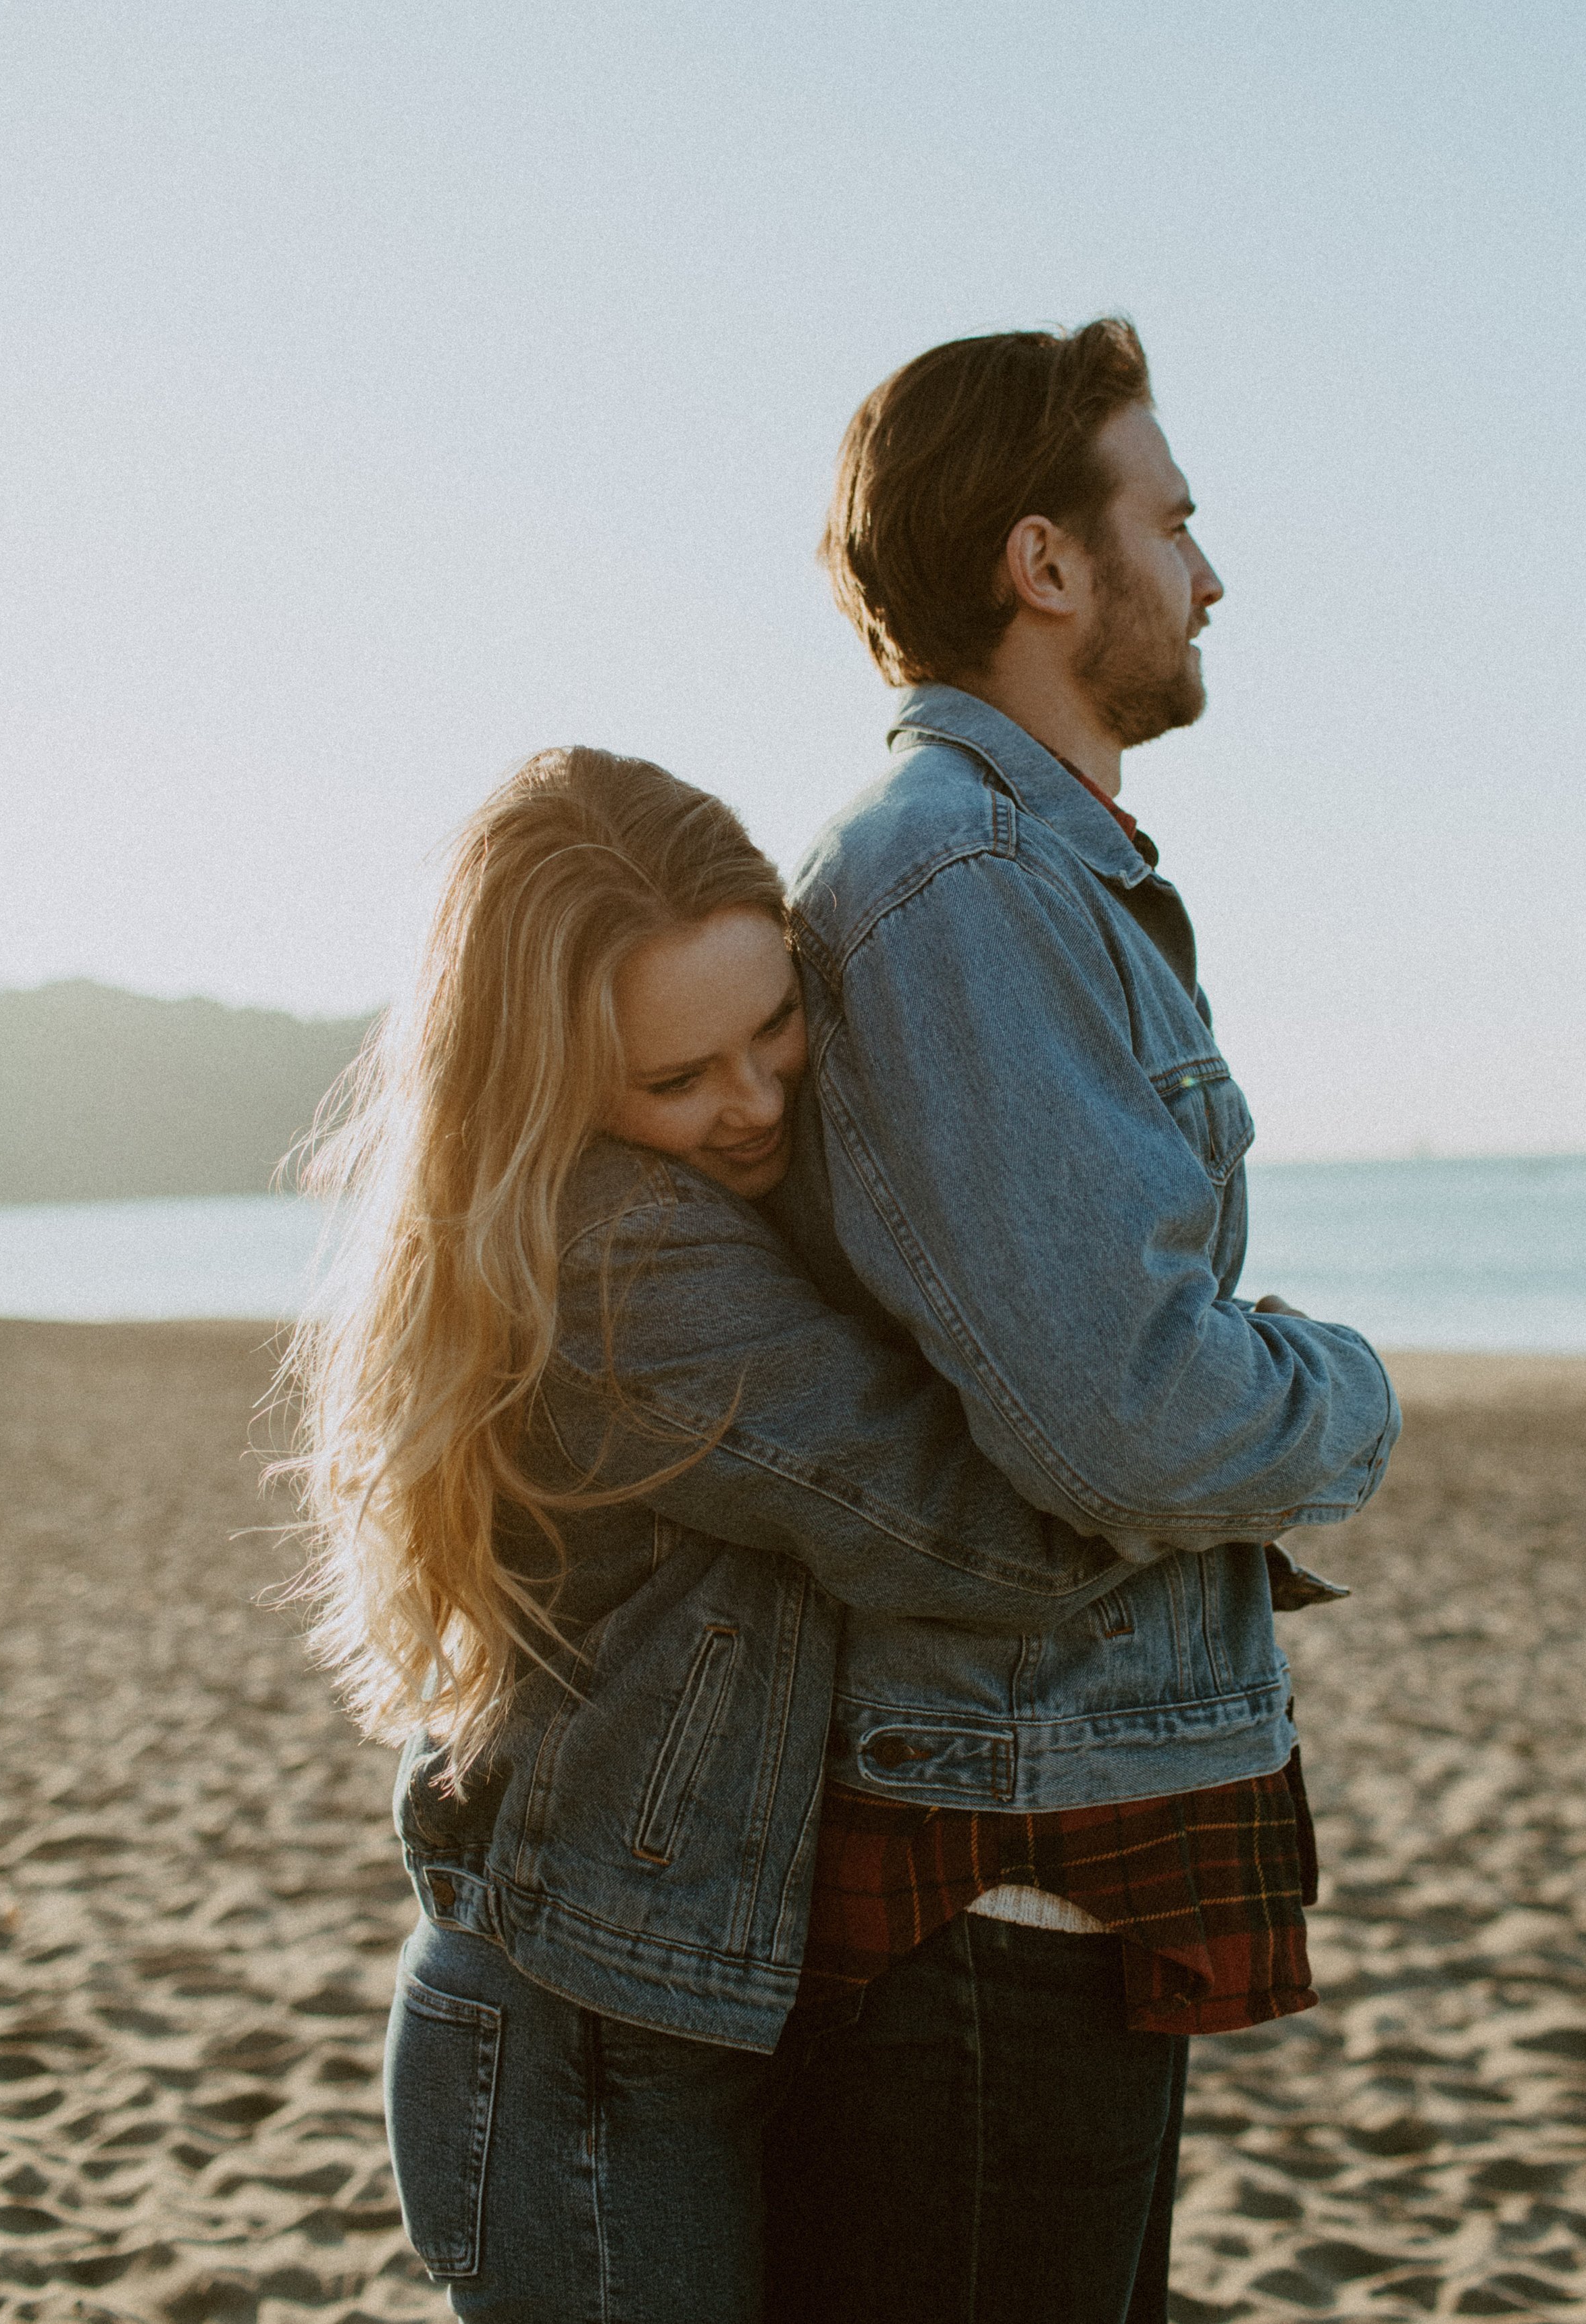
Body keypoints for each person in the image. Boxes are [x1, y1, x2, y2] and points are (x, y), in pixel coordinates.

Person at [279, 744, 1155, 2324]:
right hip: (583, 2054)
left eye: (775, 1029)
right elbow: (973, 1542)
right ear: (545, 1083)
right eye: (677, 1080)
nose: (752, 1104)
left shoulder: (697, 1201)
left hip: (659, 2014)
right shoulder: (615, 1256)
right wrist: (1199, 1417)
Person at [759, 317, 1400, 2321]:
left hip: (1054, 1832)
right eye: (1174, 520)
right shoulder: (956, 884)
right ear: (1044, 564)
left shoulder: (1029, 873)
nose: (1210, 574)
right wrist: (1346, 1394)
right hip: (996, 1868)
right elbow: (1126, 1413)